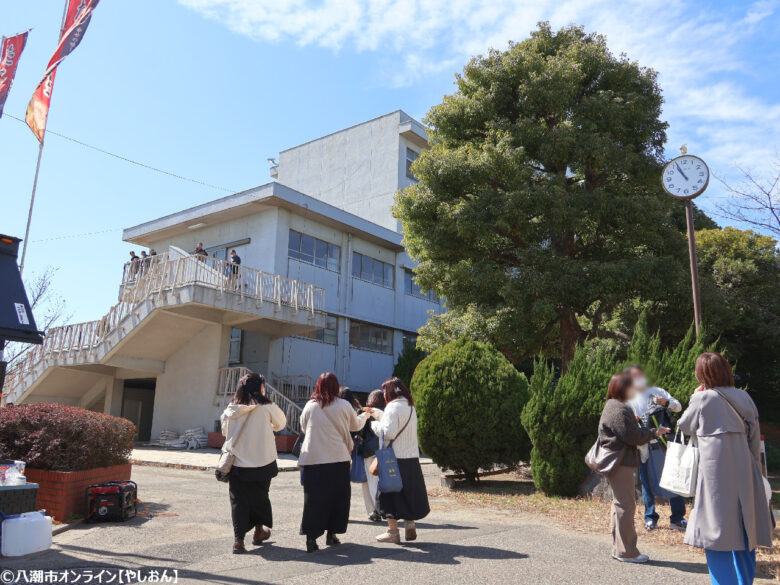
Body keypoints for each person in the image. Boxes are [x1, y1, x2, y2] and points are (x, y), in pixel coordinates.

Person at [678, 352, 772, 585]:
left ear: (702, 375)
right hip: (746, 472)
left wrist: (693, 397)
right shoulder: (744, 397)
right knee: (745, 533)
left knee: (715, 535)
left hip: (714, 475)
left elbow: (684, 426)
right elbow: (753, 440)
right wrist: (757, 475)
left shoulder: (702, 399)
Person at [598, 371, 669, 564]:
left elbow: (628, 432)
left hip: (618, 462)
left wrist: (638, 426)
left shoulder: (614, 406)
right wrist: (654, 432)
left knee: (620, 504)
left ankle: (619, 548)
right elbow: (632, 437)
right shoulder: (619, 408)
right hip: (621, 463)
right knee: (626, 506)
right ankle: (627, 552)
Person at [298, 372, 371, 552]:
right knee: (337, 498)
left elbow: (303, 426)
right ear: (336, 386)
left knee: (313, 500)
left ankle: (311, 539)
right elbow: (355, 426)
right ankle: (332, 534)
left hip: (313, 459)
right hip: (337, 458)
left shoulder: (310, 405)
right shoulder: (344, 405)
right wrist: (365, 416)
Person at [220, 372, 287, 554]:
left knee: (238, 501)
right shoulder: (266, 406)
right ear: (260, 388)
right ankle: (258, 531)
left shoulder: (231, 408)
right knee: (260, 497)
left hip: (238, 464)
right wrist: (268, 427)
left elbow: (225, 431)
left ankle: (238, 541)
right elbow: (281, 424)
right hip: (263, 461)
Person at [625, 365, 687, 532]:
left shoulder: (658, 391)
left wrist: (665, 402)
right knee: (647, 482)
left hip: (665, 444)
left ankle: (677, 518)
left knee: (673, 480)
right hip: (645, 445)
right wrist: (634, 419)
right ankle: (650, 518)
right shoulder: (630, 399)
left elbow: (678, 407)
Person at [371, 377, 430, 544]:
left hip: (394, 459)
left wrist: (373, 425)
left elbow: (387, 433)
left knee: (389, 494)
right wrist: (377, 414)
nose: (383, 394)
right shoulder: (410, 407)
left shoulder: (392, 407)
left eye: (384, 391)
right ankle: (410, 525)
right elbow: (396, 425)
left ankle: (393, 532)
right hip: (411, 458)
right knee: (407, 493)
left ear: (389, 391)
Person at [360, 389, 385, 522]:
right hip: (384, 451)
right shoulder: (386, 411)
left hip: (370, 452)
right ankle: (384, 508)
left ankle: (376, 511)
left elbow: (361, 431)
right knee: (383, 482)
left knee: (371, 482)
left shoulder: (369, 412)